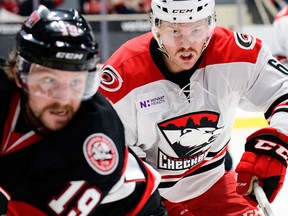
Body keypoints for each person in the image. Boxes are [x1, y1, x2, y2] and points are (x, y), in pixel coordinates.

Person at [98, 0, 288, 215]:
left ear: (210, 25)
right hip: (152, 193)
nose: (186, 44)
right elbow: (113, 159)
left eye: (196, 30)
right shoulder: (122, 75)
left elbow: (283, 91)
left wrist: (277, 141)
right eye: (174, 31)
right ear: (156, 27)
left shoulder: (234, 53)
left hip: (212, 181)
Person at [0, 5, 167, 216]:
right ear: (19, 74)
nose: (63, 99)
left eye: (75, 83)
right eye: (49, 81)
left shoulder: (93, 143)